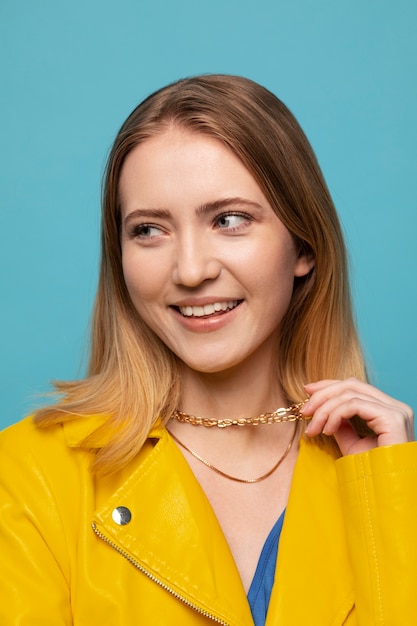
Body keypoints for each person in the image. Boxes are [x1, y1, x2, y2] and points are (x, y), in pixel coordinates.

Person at [0, 74, 415, 625]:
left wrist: (385, 500)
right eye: (149, 230)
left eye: (230, 220)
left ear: (304, 246)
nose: (191, 270)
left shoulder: (384, 480)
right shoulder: (29, 474)